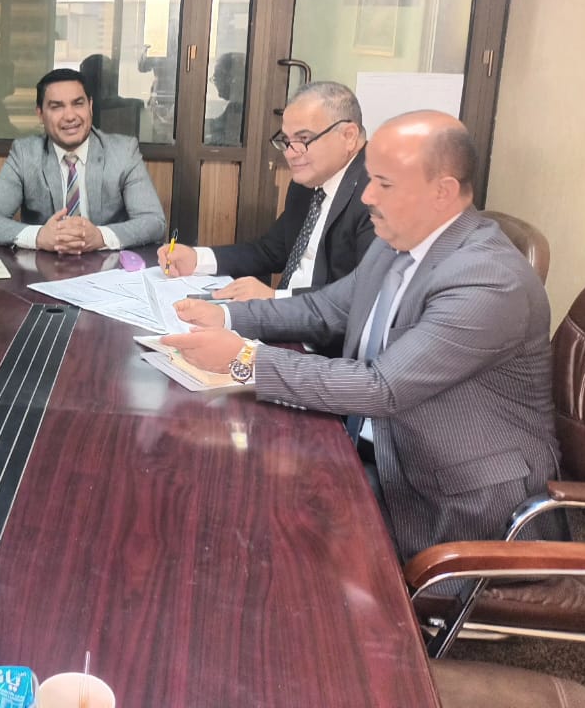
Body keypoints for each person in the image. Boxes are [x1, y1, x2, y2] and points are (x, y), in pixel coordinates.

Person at [162, 111, 561, 562]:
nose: (367, 196)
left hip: (452, 499)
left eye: (384, 184)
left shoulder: (488, 278)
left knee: (261, 533)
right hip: (382, 449)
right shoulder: (399, 242)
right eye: (370, 179)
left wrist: (244, 360)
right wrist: (226, 316)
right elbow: (326, 308)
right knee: (228, 476)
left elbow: (381, 386)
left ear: (442, 192)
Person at [159, 81, 373, 317]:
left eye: (303, 139)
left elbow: (362, 297)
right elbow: (271, 251)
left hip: (322, 333)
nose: (290, 153)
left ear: (348, 136)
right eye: (286, 141)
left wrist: (274, 298)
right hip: (281, 319)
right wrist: (197, 259)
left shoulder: (376, 194)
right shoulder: (307, 182)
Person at [0, 68, 166, 253]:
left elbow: (153, 222)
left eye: (78, 104)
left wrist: (100, 236)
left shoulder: (123, 152)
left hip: (107, 268)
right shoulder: (25, 154)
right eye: (57, 107)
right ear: (40, 114)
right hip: (43, 268)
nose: (70, 116)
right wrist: (39, 236)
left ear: (90, 106)